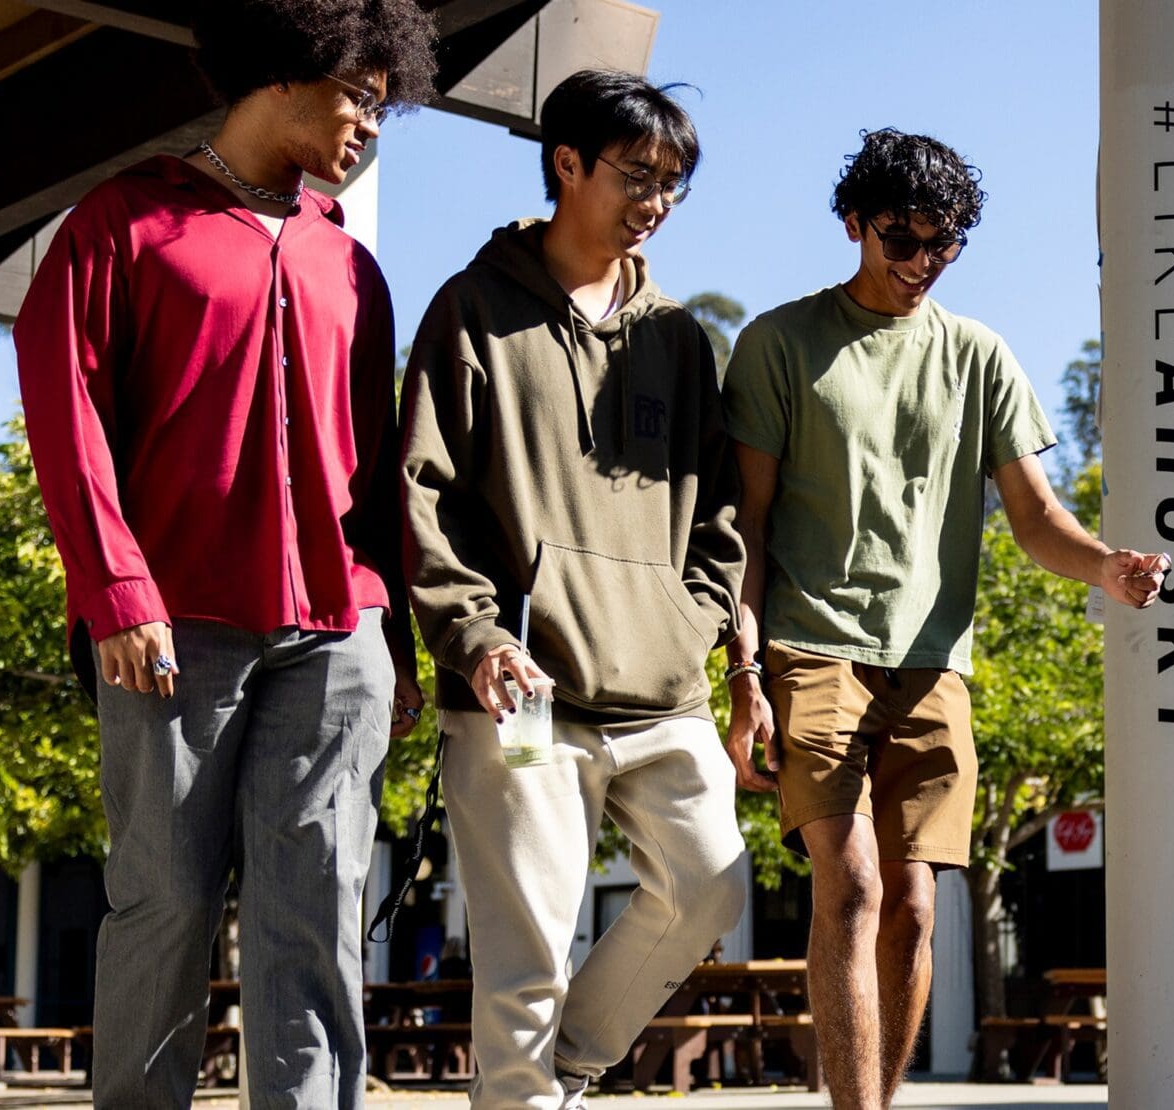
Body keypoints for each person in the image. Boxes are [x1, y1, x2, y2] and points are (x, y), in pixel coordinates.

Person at [11, 2, 438, 1105]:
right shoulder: (123, 222)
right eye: (359, 96)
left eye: (383, 107)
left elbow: (375, 463)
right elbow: (65, 414)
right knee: (164, 905)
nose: (368, 127)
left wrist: (401, 641)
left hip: (339, 630)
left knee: (318, 910)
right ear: (290, 73)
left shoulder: (353, 267)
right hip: (172, 625)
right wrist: (115, 590)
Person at [721, 128, 1169, 1110]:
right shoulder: (777, 344)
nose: (922, 262)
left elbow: (1036, 518)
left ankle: (876, 1102)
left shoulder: (978, 356)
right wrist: (743, 671)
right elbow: (744, 525)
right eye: (902, 239)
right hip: (810, 649)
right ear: (853, 223)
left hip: (933, 665)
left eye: (945, 244)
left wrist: (1107, 567)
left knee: (916, 910)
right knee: (850, 888)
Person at [400, 68, 747, 1109]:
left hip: (662, 688)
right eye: (638, 174)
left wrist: (691, 624)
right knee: (525, 964)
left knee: (710, 887)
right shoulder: (471, 310)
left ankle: (570, 1066)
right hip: (522, 696)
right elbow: (424, 491)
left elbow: (722, 516)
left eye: (674, 183)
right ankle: (532, 1085)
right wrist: (473, 636)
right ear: (566, 164)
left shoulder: (681, 340)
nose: (656, 200)